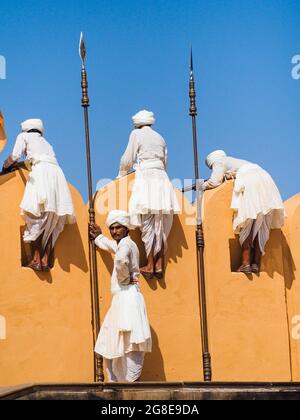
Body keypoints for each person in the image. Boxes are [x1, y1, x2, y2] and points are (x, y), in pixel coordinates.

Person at [2, 118, 75, 272]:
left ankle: (36, 259)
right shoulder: (46, 143)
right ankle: (45, 259)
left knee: (35, 215)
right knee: (51, 219)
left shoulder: (24, 136)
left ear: (26, 129)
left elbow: (15, 156)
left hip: (41, 174)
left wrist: (5, 166)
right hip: (57, 175)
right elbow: (33, 161)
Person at [90, 210, 152, 382]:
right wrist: (99, 238)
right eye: (112, 228)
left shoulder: (125, 245)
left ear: (126, 228)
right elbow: (113, 248)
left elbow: (120, 260)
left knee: (128, 340)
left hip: (126, 297)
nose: (115, 231)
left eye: (118, 228)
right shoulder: (126, 243)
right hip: (125, 298)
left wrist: (123, 279)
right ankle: (127, 381)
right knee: (121, 340)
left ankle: (128, 382)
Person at [118, 110, 180, 279]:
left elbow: (127, 158)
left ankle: (151, 264)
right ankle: (158, 265)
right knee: (160, 225)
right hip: (162, 180)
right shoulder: (160, 137)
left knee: (149, 226)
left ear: (137, 123)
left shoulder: (136, 133)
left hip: (147, 178)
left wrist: (122, 174)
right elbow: (165, 161)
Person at [204, 150, 285, 274]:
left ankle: (245, 263)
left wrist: (201, 186)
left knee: (248, 220)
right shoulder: (237, 162)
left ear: (211, 163)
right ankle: (255, 264)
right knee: (261, 224)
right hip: (266, 180)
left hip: (250, 182)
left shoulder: (219, 162)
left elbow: (214, 181)